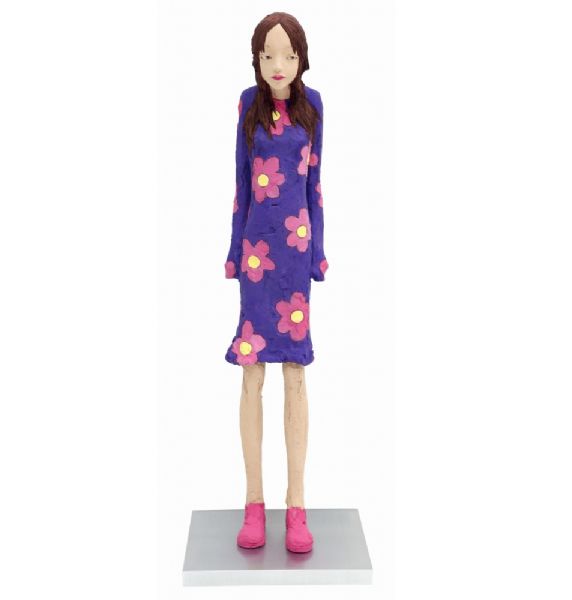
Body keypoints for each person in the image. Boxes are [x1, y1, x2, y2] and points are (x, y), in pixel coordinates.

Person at [223, 12, 329, 553]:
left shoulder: (313, 108)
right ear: (257, 60)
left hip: (294, 254)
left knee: (294, 374)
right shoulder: (248, 104)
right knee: (251, 374)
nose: (278, 64)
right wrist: (232, 250)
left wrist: (319, 250)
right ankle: (254, 501)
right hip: (257, 255)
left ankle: (297, 506)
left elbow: (315, 186)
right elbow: (242, 183)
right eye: (269, 55)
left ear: (302, 58)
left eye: (288, 55)